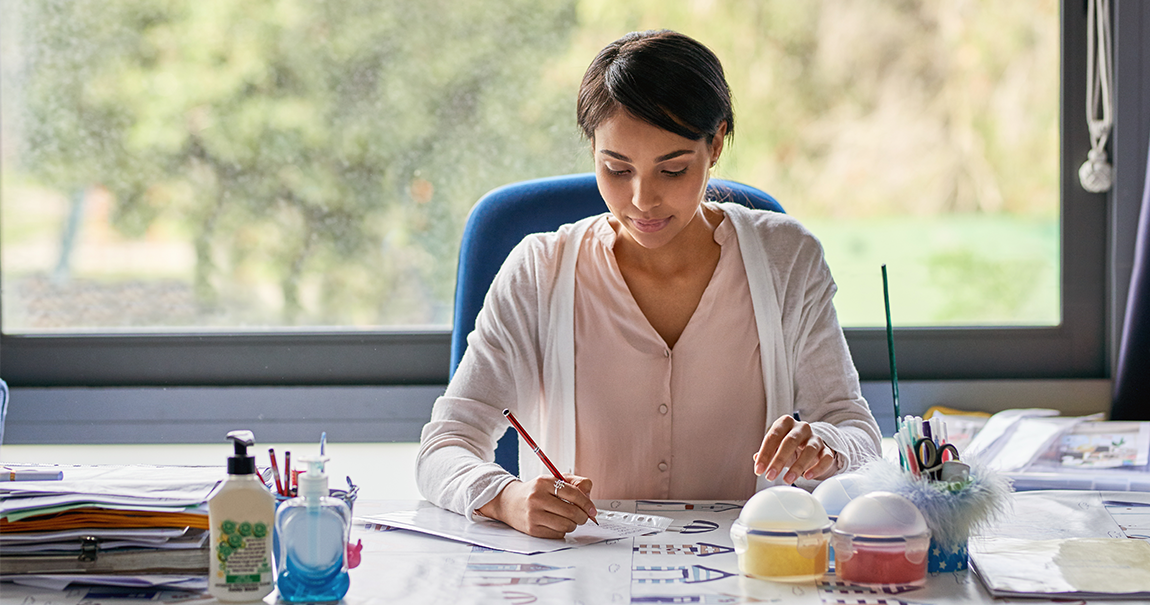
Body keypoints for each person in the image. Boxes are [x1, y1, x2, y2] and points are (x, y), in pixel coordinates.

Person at [417, 30, 881, 539]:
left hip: (744, 565)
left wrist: (826, 445)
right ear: (592, 150)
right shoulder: (539, 271)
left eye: (673, 169)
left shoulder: (785, 258)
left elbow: (856, 429)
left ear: (716, 143)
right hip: (579, 569)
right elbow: (445, 445)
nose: (642, 200)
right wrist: (503, 497)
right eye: (617, 169)